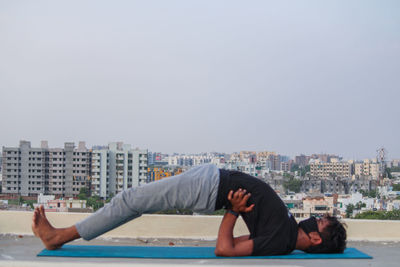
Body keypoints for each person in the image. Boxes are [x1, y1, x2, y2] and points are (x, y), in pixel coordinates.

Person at [32, 164, 347, 256]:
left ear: (317, 240)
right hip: (209, 179)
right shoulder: (286, 234)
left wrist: (234, 210)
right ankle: (61, 236)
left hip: (208, 189)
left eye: (321, 221)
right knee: (131, 203)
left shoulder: (281, 241)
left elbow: (225, 249)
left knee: (129, 201)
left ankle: (58, 237)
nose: (317, 217)